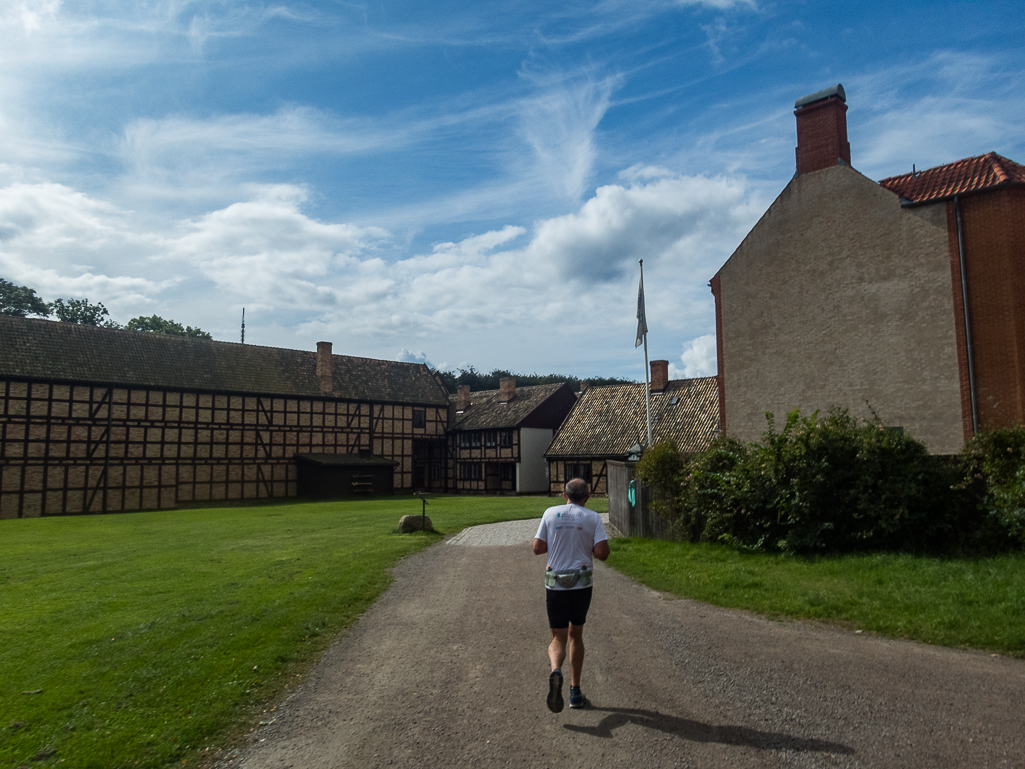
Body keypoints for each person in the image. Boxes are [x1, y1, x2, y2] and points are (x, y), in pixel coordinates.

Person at [532, 477, 610, 712]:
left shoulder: (550, 513)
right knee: (576, 634)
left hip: (555, 583)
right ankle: (575, 692)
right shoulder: (593, 518)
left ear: (564, 495)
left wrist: (556, 544)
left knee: (558, 637)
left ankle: (556, 670)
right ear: (586, 497)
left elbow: (537, 547)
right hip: (581, 585)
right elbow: (602, 553)